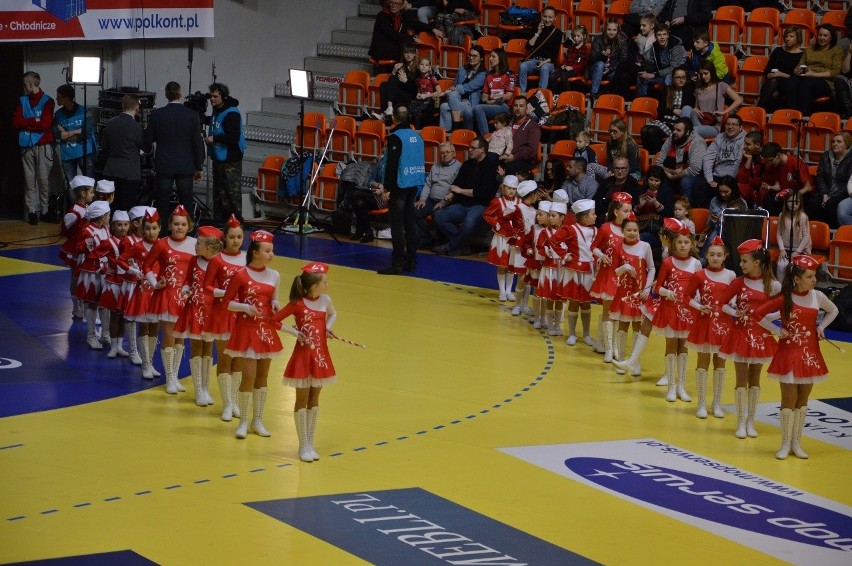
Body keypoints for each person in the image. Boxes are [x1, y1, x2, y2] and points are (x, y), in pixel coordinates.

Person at [755, 255, 838, 460]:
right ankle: (784, 443)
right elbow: (758, 314)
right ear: (797, 279)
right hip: (788, 354)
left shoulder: (817, 296)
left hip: (810, 355)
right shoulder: (785, 298)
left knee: (803, 401)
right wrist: (776, 330)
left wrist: (821, 327)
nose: (814, 280)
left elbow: (833, 310)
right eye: (809, 276)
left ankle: (796, 443)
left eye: (814, 276)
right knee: (788, 400)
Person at [223, 230, 285, 439]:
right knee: (248, 375)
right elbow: (227, 303)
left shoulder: (275, 275)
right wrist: (245, 308)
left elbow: (274, 299)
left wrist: (275, 304)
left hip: (265, 331)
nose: (271, 254)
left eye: (272, 251)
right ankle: (242, 422)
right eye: (267, 251)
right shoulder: (241, 275)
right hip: (247, 330)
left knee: (263, 376)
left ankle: (257, 420)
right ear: (255, 252)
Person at [274, 262, 337, 462]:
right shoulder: (297, 304)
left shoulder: (326, 300)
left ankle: (311, 442)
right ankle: (303, 445)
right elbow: (273, 320)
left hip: (320, 357)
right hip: (302, 357)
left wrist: (327, 327)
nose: (327, 285)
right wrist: (295, 332)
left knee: (315, 400)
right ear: (313, 286)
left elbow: (333, 314)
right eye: (324, 282)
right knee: (302, 400)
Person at [718, 239, 780, 440]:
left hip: (761, 336)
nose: (741, 265)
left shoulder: (772, 284)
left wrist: (767, 317)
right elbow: (722, 304)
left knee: (755, 379)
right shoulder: (738, 282)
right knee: (741, 379)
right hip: (741, 335)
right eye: (741, 261)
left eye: (745, 261)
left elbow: (786, 307)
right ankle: (740, 422)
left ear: (757, 262)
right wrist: (735, 313)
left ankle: (750, 421)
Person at [143, 204, 197, 395]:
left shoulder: (194, 244)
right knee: (169, 336)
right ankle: (169, 378)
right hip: (166, 296)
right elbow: (147, 266)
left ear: (188, 226)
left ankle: (175, 376)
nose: (179, 227)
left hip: (185, 297)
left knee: (181, 339)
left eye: (183, 224)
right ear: (170, 225)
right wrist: (154, 283)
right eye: (176, 224)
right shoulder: (161, 244)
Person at [684, 235, 736, 419]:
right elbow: (686, 296)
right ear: (707, 254)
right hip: (704, 323)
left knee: (720, 364)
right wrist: (699, 307)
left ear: (725, 256)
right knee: (702, 362)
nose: (715, 258)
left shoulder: (731, 275)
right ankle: (701, 404)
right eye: (712, 254)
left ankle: (717, 403)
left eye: (719, 255)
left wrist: (735, 308)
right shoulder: (699, 275)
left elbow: (733, 299)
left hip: (723, 325)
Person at [651, 221, 702, 402]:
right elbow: (657, 287)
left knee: (684, 348)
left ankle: (681, 385)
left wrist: (698, 300)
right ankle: (671, 386)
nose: (682, 245)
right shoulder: (668, 263)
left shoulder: (696, 264)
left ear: (692, 244)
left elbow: (700, 288)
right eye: (679, 242)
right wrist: (667, 292)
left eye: (686, 242)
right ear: (674, 244)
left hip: (687, 311)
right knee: (671, 346)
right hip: (670, 309)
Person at [203, 215, 246, 420]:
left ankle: (235, 401)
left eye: (239, 237)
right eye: (232, 237)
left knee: (238, 360)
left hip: (242, 315)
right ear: (224, 239)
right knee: (225, 358)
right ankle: (227, 404)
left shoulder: (247, 259)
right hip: (222, 314)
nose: (236, 241)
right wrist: (225, 292)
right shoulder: (217, 260)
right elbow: (207, 287)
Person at [145, 81, 205, 230]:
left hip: (164, 165)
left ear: (166, 95)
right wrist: (199, 167)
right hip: (185, 166)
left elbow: (147, 141)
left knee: (162, 203)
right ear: (180, 93)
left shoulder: (157, 114)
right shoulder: (192, 115)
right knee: (186, 203)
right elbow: (197, 143)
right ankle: (188, 234)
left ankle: (162, 234)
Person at [173, 226, 222, 407]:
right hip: (194, 310)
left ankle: (206, 388)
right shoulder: (194, 261)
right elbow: (187, 280)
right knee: (196, 350)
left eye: (199, 243)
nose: (195, 245)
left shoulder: (219, 263)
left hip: (211, 312)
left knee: (208, 351)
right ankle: (198, 390)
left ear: (209, 247)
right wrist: (185, 291)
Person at [377, 107, 426, 276]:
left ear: (394, 119)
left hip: (400, 184)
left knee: (397, 225)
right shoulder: (418, 136)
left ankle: (397, 263)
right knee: (410, 223)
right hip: (414, 183)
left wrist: (387, 188)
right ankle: (411, 261)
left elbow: (391, 165)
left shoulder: (396, 137)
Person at [433, 136, 499, 255]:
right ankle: (462, 245)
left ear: (482, 150)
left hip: (481, 205)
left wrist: (460, 191)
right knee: (439, 215)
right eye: (469, 147)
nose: (469, 150)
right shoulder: (467, 164)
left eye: (473, 148)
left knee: (469, 220)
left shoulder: (491, 166)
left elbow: (483, 193)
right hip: (463, 203)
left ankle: (451, 246)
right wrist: (451, 194)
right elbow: (456, 184)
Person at [118, 208, 161, 381]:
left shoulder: (163, 245)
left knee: (155, 328)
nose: (151, 231)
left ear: (160, 228)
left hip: (158, 291)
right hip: (143, 291)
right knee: (144, 326)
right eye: (148, 228)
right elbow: (120, 259)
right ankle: (145, 364)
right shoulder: (138, 246)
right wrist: (134, 270)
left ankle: (150, 362)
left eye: (154, 228)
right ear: (143, 229)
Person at [609, 213, 655, 371]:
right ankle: (621, 361)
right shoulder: (617, 247)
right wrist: (624, 268)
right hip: (623, 293)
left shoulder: (645, 246)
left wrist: (647, 289)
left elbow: (652, 268)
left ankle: (635, 362)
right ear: (622, 231)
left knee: (637, 326)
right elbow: (614, 271)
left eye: (635, 230)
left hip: (639, 292)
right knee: (622, 325)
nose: (632, 233)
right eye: (628, 230)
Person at [590, 195, 633, 362]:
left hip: (623, 278)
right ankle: (608, 348)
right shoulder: (606, 228)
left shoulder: (630, 229)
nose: (630, 213)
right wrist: (601, 255)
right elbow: (594, 246)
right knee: (608, 310)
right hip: (609, 275)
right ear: (616, 211)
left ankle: (612, 345)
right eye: (626, 210)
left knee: (618, 312)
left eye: (630, 210)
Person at [14, 71, 55, 225]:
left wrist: (27, 122)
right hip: (26, 146)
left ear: (31, 84)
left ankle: (44, 211)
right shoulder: (22, 100)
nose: (24, 87)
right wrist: (34, 121)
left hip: (43, 145)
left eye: (25, 84)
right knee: (29, 180)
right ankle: (32, 211)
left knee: (43, 180)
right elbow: (16, 122)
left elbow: (45, 124)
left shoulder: (48, 101)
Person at [72, 201, 111, 350]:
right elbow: (79, 248)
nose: (109, 217)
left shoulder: (106, 229)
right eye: (108, 215)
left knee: (105, 302)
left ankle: (106, 333)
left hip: (105, 269)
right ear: (101, 216)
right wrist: (89, 246)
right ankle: (91, 335)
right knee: (92, 301)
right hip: (92, 270)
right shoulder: (87, 230)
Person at [558, 199, 598, 344]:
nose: (596, 216)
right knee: (574, 302)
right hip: (574, 271)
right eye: (593, 214)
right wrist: (564, 254)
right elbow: (554, 241)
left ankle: (586, 335)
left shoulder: (596, 230)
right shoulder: (570, 229)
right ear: (585, 217)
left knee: (587, 303)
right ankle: (572, 333)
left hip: (589, 271)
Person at [206, 82, 246, 221]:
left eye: (215, 96)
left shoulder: (231, 113)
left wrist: (214, 138)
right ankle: (220, 221)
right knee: (219, 193)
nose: (212, 99)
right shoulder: (217, 110)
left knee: (232, 194)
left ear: (223, 97)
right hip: (218, 158)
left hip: (231, 159)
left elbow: (234, 137)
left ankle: (237, 222)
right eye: (211, 96)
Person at [785, 23, 844, 117]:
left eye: (825, 35)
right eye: (820, 35)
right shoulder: (810, 49)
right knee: (792, 81)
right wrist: (797, 70)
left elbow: (836, 72)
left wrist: (813, 74)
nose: (821, 38)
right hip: (806, 76)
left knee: (807, 83)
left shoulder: (837, 50)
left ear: (831, 37)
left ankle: (804, 117)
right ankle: (793, 113)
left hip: (825, 82)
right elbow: (799, 65)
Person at [59, 175, 95, 319]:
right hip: (77, 248)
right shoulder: (74, 211)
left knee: (85, 276)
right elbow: (65, 230)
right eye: (91, 192)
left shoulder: (87, 208)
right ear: (83, 193)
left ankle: (84, 303)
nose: (93, 195)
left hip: (87, 248)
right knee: (75, 276)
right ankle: (76, 306)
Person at [101, 93, 144, 212]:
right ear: (137, 108)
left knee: (112, 206)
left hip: (111, 169)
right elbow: (145, 147)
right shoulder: (136, 127)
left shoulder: (109, 123)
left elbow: (104, 147)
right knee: (127, 208)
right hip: (130, 173)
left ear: (122, 105)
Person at [415, 141, 461, 248]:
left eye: (447, 152)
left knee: (438, 215)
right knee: (414, 211)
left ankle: (444, 242)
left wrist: (443, 202)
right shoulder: (435, 165)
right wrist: (422, 199)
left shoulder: (459, 167)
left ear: (454, 153)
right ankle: (425, 239)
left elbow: (456, 190)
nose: (444, 155)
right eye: (442, 153)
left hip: (447, 202)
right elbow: (428, 184)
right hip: (431, 200)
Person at [484, 175, 522, 301]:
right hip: (502, 237)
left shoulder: (519, 203)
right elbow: (486, 214)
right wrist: (495, 222)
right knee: (502, 265)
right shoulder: (497, 201)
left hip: (514, 237)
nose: (511, 191)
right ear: (503, 187)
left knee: (511, 265)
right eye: (509, 188)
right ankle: (502, 291)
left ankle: (509, 290)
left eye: (514, 189)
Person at [641, 67, 695, 154]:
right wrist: (673, 110)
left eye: (683, 77)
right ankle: (649, 157)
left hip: (676, 123)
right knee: (644, 130)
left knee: (651, 131)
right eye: (678, 77)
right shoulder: (668, 89)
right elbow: (661, 109)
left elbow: (689, 108)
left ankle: (659, 157)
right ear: (673, 79)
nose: (681, 80)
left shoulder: (689, 90)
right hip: (665, 120)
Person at [655, 117, 706, 205]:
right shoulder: (671, 139)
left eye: (678, 130)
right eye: (674, 129)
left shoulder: (697, 142)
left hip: (696, 177)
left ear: (687, 132)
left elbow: (694, 170)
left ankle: (687, 212)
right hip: (674, 172)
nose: (674, 132)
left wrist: (673, 176)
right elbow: (658, 163)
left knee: (685, 182)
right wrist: (673, 172)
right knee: (655, 176)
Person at [687, 61, 742, 140]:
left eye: (706, 73)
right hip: (700, 121)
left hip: (713, 126)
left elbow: (738, 100)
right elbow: (697, 108)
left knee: (691, 130)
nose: (703, 76)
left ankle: (682, 134)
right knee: (686, 108)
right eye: (701, 74)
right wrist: (694, 109)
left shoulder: (721, 86)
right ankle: (681, 128)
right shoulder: (698, 89)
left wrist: (724, 112)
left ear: (711, 72)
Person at [700, 113, 746, 209]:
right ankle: (707, 215)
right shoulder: (720, 137)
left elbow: (738, 161)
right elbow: (707, 157)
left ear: (740, 127)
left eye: (734, 124)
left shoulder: (745, 139)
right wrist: (710, 179)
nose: (730, 127)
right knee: (700, 185)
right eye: (728, 124)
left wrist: (726, 182)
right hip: (716, 175)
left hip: (733, 177)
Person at [368, 0, 435, 64]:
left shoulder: (402, 15)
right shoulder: (382, 16)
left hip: (394, 46)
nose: (393, 5)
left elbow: (415, 23)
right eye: (392, 3)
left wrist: (433, 29)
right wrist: (413, 38)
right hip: (382, 49)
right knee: (408, 53)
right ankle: (403, 73)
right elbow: (393, 35)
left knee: (411, 51)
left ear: (402, 5)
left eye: (396, 3)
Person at [53, 83, 95, 184]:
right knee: (71, 185)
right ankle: (74, 201)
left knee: (89, 183)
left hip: (85, 153)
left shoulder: (85, 111)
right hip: (67, 155)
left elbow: (86, 134)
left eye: (58, 97)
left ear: (66, 98)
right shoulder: (58, 115)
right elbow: (57, 134)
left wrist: (66, 134)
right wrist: (77, 131)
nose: (56, 99)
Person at [809, 131, 852, 228]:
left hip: (843, 193)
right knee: (813, 202)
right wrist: (824, 193)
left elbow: (848, 182)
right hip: (826, 191)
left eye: (839, 142)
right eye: (833, 142)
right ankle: (815, 231)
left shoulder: (851, 158)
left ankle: (832, 234)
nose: (835, 144)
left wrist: (831, 196)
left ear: (847, 144)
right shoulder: (826, 156)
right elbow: (820, 176)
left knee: (832, 204)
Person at [438, 46, 486, 131]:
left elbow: (468, 87)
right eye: (470, 55)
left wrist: (447, 91)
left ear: (481, 58)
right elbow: (455, 84)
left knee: (452, 93)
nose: (471, 58)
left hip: (470, 104)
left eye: (474, 56)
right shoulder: (463, 69)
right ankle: (446, 133)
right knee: (443, 106)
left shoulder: (483, 74)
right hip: (458, 101)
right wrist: (452, 89)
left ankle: (456, 128)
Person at [756, 26, 804, 112]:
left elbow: (798, 77)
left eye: (791, 36)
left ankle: (758, 108)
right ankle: (763, 113)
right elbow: (768, 69)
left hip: (789, 84)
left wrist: (782, 74)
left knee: (775, 82)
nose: (788, 39)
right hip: (773, 83)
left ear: (798, 38)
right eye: (786, 36)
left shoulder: (801, 55)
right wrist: (769, 74)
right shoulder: (778, 50)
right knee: (774, 93)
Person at [759, 142, 812, 216]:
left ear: (778, 155)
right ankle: (775, 222)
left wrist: (794, 195)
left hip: (800, 193)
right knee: (769, 199)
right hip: (785, 193)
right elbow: (779, 186)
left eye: (770, 160)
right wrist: (769, 187)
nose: (769, 163)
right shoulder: (774, 166)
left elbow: (808, 188)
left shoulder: (795, 162)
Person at [518, 6, 563, 93]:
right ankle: (522, 93)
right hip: (533, 60)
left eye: (550, 17)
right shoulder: (536, 28)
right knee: (523, 66)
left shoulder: (557, 33)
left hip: (547, 62)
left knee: (544, 68)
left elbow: (553, 55)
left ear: (555, 18)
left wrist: (543, 62)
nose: (547, 19)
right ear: (542, 16)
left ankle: (540, 95)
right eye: (545, 16)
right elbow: (528, 47)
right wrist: (538, 32)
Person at [472, 48, 515, 136]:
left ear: (501, 58)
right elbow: (484, 95)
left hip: (504, 107)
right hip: (491, 105)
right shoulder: (488, 75)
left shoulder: (510, 75)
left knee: (478, 108)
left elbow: (508, 96)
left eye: (493, 56)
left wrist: (493, 97)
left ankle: (486, 137)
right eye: (490, 56)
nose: (490, 59)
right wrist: (488, 101)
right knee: (471, 111)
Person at [700, 176, 746, 257]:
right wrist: (713, 220)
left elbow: (743, 225)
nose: (723, 194)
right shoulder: (714, 201)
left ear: (733, 190)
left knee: (717, 233)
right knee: (716, 231)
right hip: (716, 230)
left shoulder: (741, 202)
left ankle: (703, 259)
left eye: (726, 191)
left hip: (734, 234)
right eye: (721, 191)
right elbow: (709, 224)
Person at [636, 24, 686, 97]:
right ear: (655, 37)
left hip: (676, 74)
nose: (662, 37)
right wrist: (642, 67)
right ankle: (642, 102)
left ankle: (669, 105)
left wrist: (654, 74)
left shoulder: (676, 46)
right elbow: (651, 62)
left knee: (668, 79)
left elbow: (674, 68)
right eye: (659, 35)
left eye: (664, 34)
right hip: (662, 72)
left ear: (668, 36)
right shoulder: (654, 46)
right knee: (642, 77)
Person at [588, 19, 630, 100]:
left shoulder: (622, 41)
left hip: (611, 70)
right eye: (609, 29)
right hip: (596, 69)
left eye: (614, 30)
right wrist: (601, 55)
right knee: (600, 64)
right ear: (605, 29)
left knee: (623, 75)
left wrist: (610, 68)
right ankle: (593, 93)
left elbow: (623, 60)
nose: (611, 32)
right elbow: (592, 58)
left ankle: (614, 99)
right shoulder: (598, 39)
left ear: (618, 30)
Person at [500, 96, 541, 175]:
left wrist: (514, 157)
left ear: (527, 108)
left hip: (523, 161)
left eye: (521, 106)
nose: (518, 108)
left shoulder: (532, 126)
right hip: (505, 157)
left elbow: (531, 150)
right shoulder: (508, 122)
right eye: (515, 106)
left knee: (509, 167)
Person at [776, 192, 812, 282]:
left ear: (800, 203)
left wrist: (797, 252)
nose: (793, 204)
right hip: (786, 248)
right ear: (786, 202)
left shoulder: (803, 217)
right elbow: (779, 234)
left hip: (799, 249)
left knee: (794, 268)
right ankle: (781, 288)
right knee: (781, 266)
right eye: (790, 201)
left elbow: (806, 237)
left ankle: (793, 289)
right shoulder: (782, 215)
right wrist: (782, 249)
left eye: (796, 202)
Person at [593, 156, 640, 223]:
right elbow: (595, 201)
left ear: (628, 169)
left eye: (623, 168)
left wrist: (605, 202)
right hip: (599, 218)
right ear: (613, 169)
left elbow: (631, 206)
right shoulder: (607, 181)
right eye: (617, 168)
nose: (620, 171)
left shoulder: (632, 183)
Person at [377, 45, 419, 118]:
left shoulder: (418, 68)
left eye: (411, 53)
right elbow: (392, 83)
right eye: (406, 53)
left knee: (390, 81)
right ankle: (387, 110)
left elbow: (416, 89)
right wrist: (394, 71)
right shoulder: (401, 66)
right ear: (403, 54)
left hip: (410, 96)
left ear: (415, 54)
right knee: (383, 85)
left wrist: (406, 81)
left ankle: (385, 113)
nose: (409, 55)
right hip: (400, 93)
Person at [550, 26, 590, 95]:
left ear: (583, 36)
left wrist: (572, 67)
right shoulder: (571, 48)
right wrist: (564, 65)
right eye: (574, 36)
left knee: (564, 77)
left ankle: (568, 96)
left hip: (576, 71)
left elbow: (584, 64)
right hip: (567, 68)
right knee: (552, 76)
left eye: (578, 36)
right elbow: (566, 59)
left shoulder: (585, 49)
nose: (575, 38)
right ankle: (555, 95)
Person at [409, 56, 443, 128]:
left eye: (426, 65)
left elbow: (439, 91)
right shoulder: (418, 79)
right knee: (410, 107)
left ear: (430, 68)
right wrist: (419, 94)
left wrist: (426, 96)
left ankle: (419, 130)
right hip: (421, 99)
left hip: (430, 100)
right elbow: (419, 90)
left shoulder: (432, 78)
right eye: (422, 64)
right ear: (418, 66)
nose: (424, 66)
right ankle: (413, 128)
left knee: (417, 111)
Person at [736, 130, 765, 207]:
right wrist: (749, 160)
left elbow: (762, 182)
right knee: (738, 187)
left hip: (763, 190)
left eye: (748, 144)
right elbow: (741, 179)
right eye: (744, 143)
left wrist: (751, 181)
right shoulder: (747, 155)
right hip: (751, 188)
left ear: (757, 145)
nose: (745, 146)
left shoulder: (766, 158)